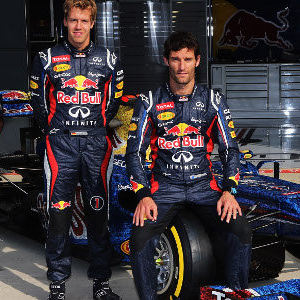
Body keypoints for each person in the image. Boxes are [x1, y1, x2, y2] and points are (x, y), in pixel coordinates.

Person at [125, 31, 251, 299]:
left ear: (197, 61)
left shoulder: (213, 100)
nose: (181, 66)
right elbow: (134, 153)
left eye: (187, 59)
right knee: (138, 238)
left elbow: (230, 149)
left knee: (240, 229)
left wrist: (230, 191)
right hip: (164, 187)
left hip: (204, 186)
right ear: (166, 61)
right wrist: (143, 195)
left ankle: (234, 294)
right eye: (175, 59)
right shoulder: (149, 101)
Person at [29, 0, 124, 299]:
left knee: (99, 213)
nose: (78, 26)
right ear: (65, 23)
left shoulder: (109, 60)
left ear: (93, 23)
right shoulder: (46, 58)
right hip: (61, 143)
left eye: (84, 20)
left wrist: (96, 126)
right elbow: (38, 102)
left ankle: (101, 284)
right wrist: (55, 130)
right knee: (59, 216)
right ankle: (57, 287)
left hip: (97, 143)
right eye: (73, 20)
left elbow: (113, 104)